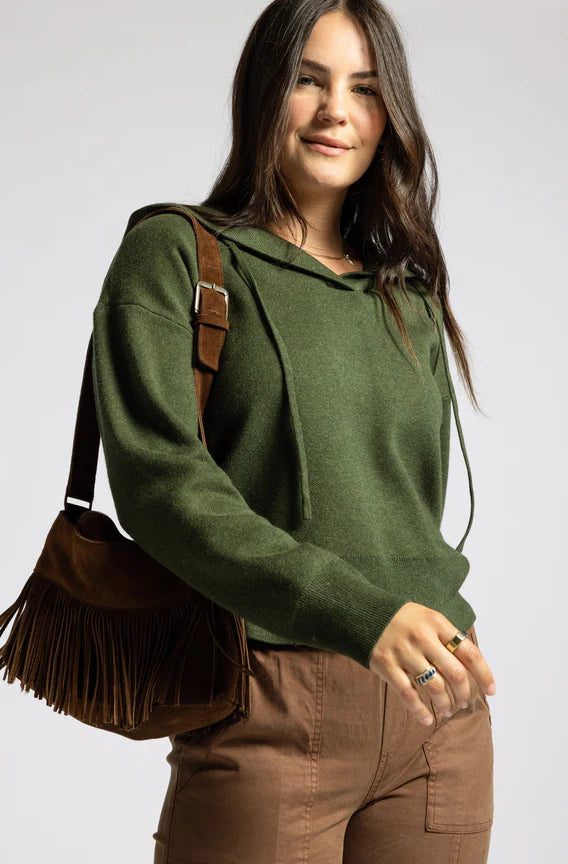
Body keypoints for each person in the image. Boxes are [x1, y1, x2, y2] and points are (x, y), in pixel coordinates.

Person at [91, 1, 496, 861]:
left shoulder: (407, 291)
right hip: (271, 696)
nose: (336, 111)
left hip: (438, 713)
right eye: (308, 80)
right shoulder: (177, 254)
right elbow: (162, 485)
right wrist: (362, 612)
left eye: (365, 88)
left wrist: (423, 624)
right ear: (262, 91)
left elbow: (405, 509)